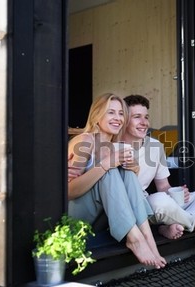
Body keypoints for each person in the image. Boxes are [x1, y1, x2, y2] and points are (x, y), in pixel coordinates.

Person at [67, 92, 166, 269]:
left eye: (121, 113)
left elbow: (120, 193)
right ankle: (134, 239)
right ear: (97, 116)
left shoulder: (116, 145)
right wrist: (105, 165)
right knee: (109, 170)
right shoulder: (84, 140)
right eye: (111, 112)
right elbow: (68, 192)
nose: (118, 118)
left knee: (124, 171)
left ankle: (147, 239)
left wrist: (133, 170)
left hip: (102, 220)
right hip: (75, 219)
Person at [121, 94, 195, 240]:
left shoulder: (155, 146)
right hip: (135, 208)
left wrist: (177, 193)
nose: (144, 122)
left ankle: (171, 227)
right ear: (124, 120)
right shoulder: (114, 148)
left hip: (155, 206)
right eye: (137, 117)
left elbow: (163, 186)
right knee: (159, 200)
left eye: (146, 117)